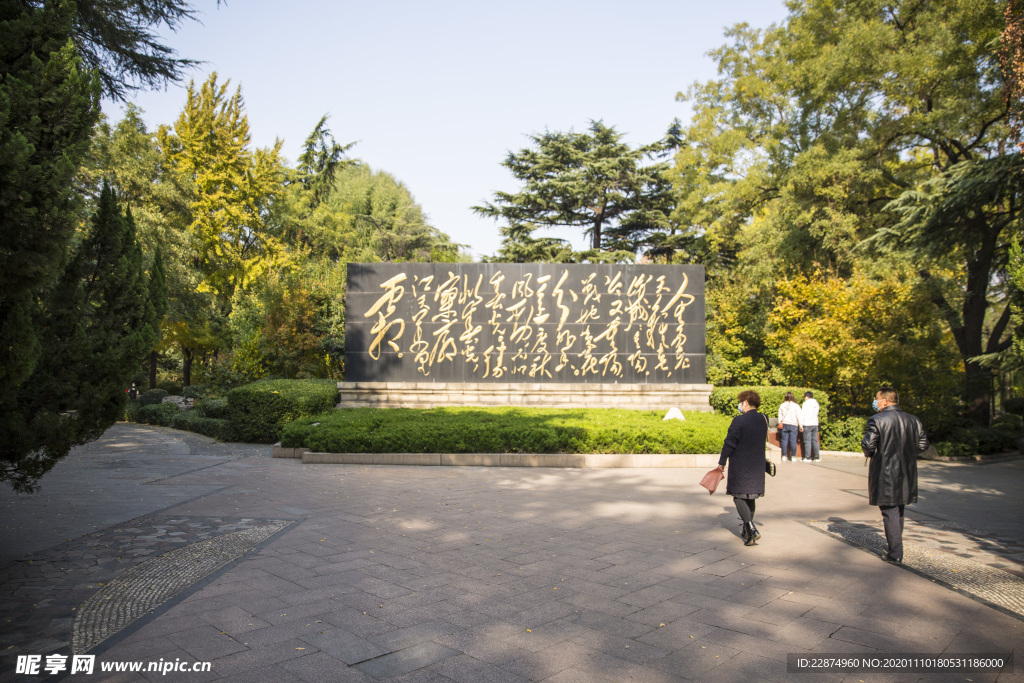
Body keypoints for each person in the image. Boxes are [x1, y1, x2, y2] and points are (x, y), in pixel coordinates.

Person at [861, 386, 929, 565]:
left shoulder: (877, 420)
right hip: (907, 471)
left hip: (886, 471)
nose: (875, 402)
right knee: (899, 509)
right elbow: (923, 445)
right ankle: (895, 546)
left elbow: (868, 445)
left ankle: (895, 553)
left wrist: (873, 453)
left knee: (890, 510)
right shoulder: (913, 420)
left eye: (876, 398)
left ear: (885, 401)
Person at [715, 390, 770, 545]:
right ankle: (748, 533)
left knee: (738, 496)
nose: (740, 406)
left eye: (741, 403)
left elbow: (729, 443)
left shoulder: (739, 420)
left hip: (740, 465)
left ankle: (751, 528)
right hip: (757, 465)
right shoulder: (764, 419)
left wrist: (722, 462)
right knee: (750, 497)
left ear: (745, 403)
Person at [777, 391, 803, 461]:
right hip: (793, 425)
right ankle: (793, 456)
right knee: (793, 441)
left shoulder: (782, 405)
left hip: (785, 424)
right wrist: (801, 425)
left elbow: (780, 416)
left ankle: (783, 456)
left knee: (784, 441)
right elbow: (799, 416)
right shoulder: (796, 406)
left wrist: (780, 422)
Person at [800, 391, 820, 462]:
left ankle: (807, 457)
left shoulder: (806, 404)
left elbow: (803, 414)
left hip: (807, 424)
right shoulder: (816, 404)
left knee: (807, 441)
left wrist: (801, 425)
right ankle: (816, 457)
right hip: (815, 424)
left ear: (806, 396)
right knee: (815, 441)